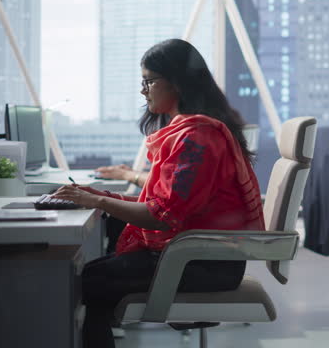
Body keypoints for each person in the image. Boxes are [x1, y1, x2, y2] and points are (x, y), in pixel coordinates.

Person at [53, 39, 264, 348]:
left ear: (176, 82)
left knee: (86, 280)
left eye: (149, 80)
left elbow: (162, 216)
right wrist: (95, 194)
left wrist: (97, 200)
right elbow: (162, 206)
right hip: (202, 257)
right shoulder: (194, 131)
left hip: (202, 264)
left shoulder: (197, 137)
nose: (144, 90)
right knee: (91, 274)